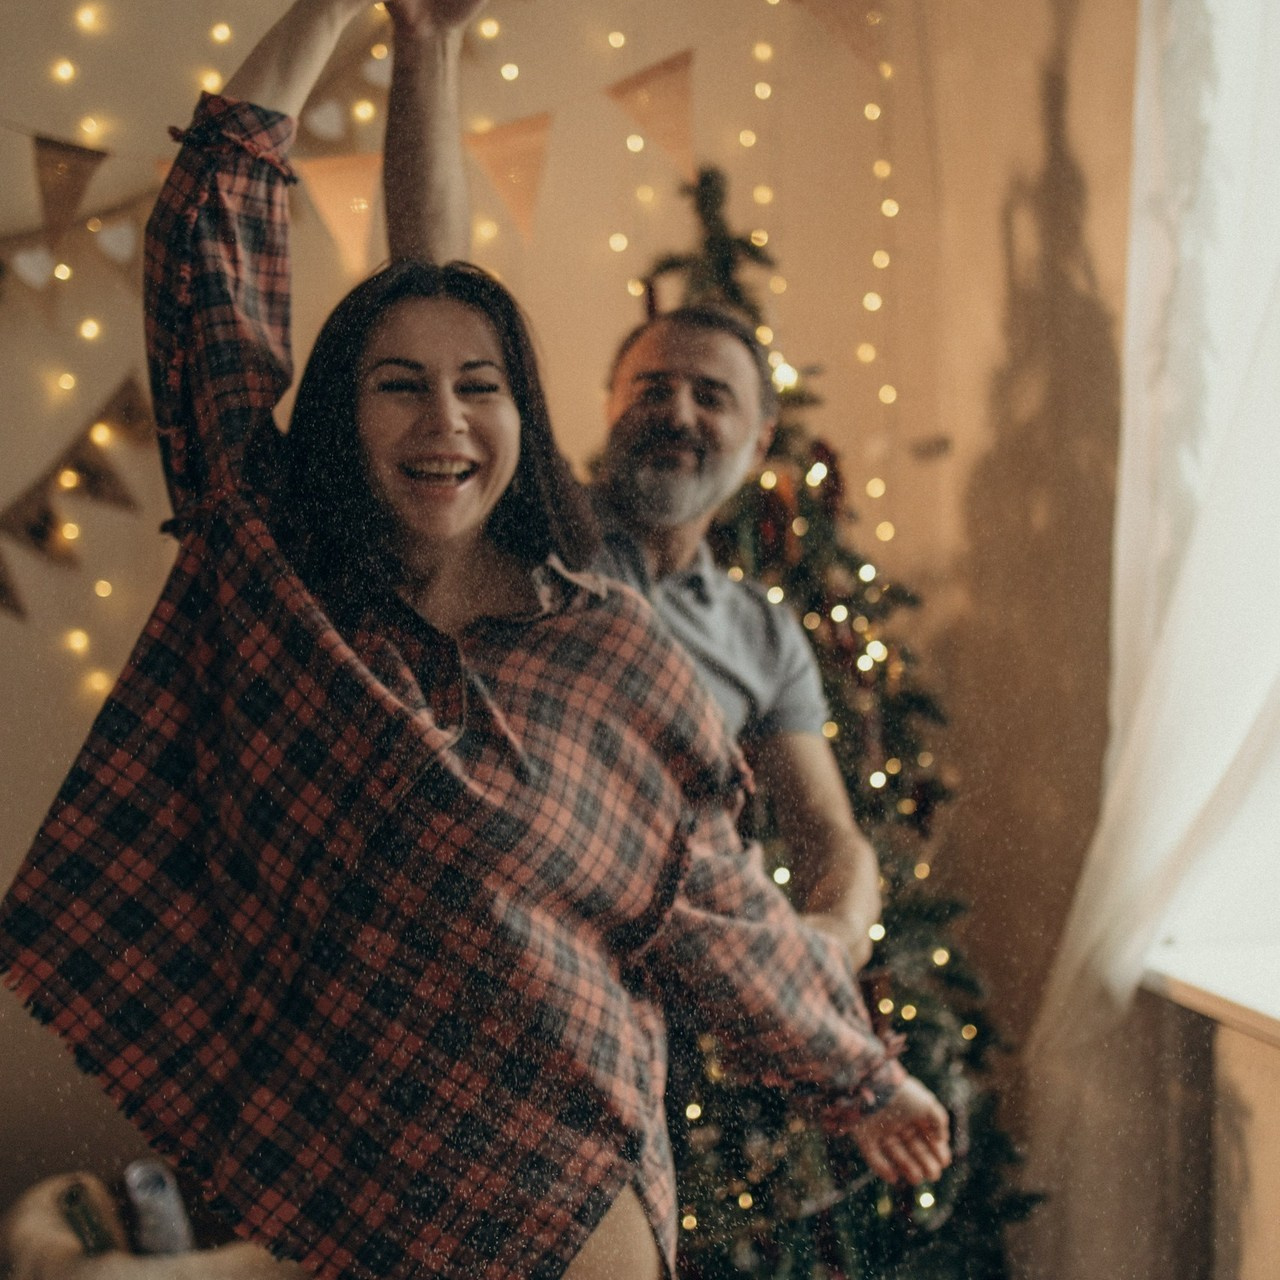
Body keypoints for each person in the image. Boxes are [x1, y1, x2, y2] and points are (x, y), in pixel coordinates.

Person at [0, 2, 950, 1279]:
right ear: (343, 414)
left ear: (523, 415)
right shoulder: (276, 579)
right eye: (397, 384)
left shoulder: (608, 650)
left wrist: (860, 1074)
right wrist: (352, 15)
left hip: (571, 1196)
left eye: (478, 386)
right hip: (354, 1189)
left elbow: (718, 906)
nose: (442, 420)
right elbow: (204, 242)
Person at [381, 0, 884, 971]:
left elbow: (832, 839)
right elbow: (427, 291)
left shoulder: (763, 635)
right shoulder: (530, 518)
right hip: (487, 949)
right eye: (652, 388)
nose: (677, 412)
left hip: (662, 988)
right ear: (608, 405)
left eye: (711, 396)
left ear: (759, 441)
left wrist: (836, 934)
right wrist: (424, 46)